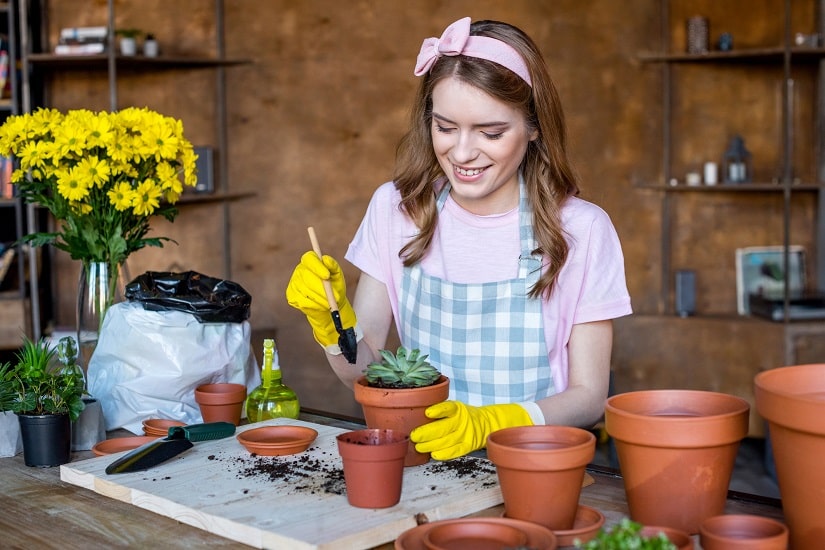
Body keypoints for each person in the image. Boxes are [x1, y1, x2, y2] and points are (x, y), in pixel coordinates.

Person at [286, 16, 632, 460]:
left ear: (534, 126)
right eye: (445, 127)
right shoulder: (397, 210)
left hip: (533, 468)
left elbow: (588, 397)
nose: (463, 153)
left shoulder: (582, 230)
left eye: (491, 132)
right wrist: (332, 325)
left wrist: (491, 423)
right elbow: (366, 373)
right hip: (422, 468)